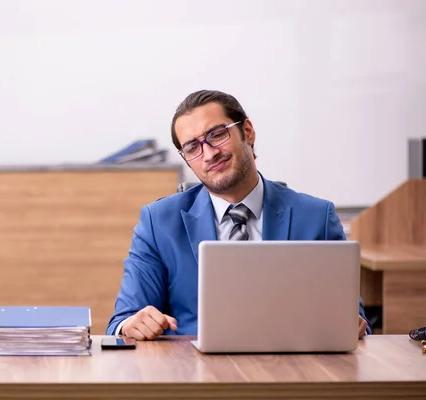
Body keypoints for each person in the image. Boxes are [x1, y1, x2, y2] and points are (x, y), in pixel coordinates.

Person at [106, 89, 371, 340]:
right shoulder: (158, 222)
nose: (209, 154)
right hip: (192, 374)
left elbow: (354, 321)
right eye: (192, 148)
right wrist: (131, 324)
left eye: (217, 134)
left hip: (290, 371)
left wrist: (351, 323)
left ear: (248, 131)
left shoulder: (316, 217)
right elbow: (123, 319)